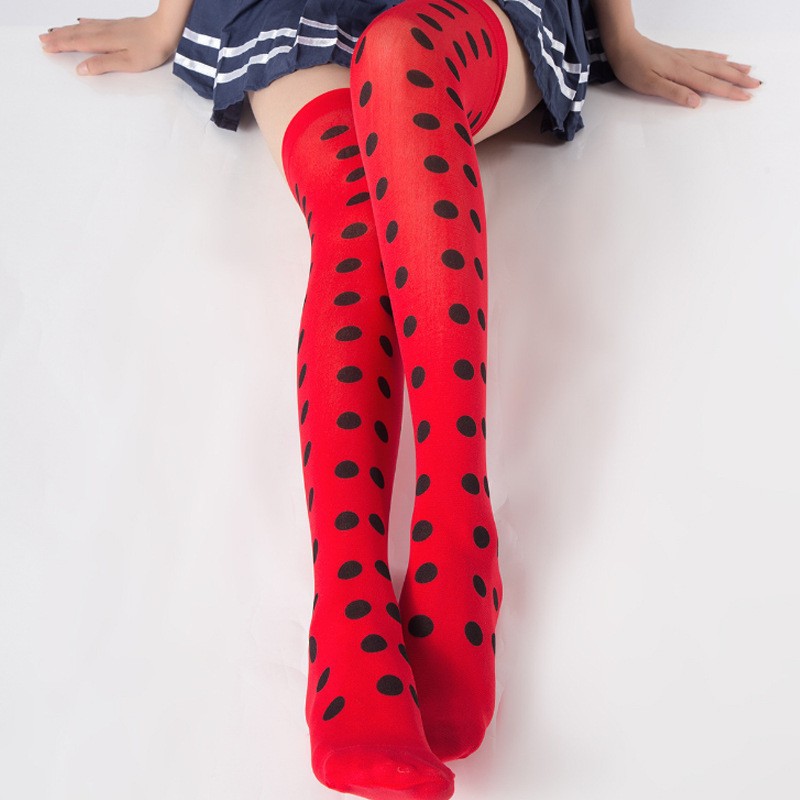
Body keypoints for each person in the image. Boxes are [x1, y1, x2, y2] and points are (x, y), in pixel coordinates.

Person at [39, 3, 760, 799]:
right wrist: (166, 23)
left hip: (475, 17)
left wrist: (619, 38)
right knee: (353, 205)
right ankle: (349, 601)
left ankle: (456, 521)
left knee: (401, 55)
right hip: (304, 11)